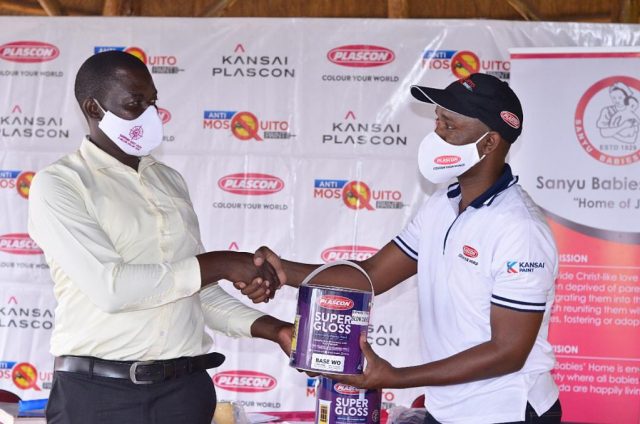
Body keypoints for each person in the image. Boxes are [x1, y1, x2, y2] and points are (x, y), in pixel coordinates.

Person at [243, 73, 562, 424]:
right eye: (437, 121)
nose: (437, 134)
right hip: (447, 408)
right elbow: (372, 275)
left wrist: (395, 377)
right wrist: (282, 271)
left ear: (488, 143)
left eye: (450, 125)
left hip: (507, 411)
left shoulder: (520, 229)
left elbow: (508, 352)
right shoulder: (442, 204)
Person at [28, 50, 290, 424]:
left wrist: (275, 330)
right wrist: (223, 263)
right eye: (134, 104)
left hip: (184, 393)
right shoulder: (61, 184)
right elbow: (112, 288)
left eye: (152, 102)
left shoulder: (169, 181)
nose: (150, 114)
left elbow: (195, 290)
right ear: (93, 108)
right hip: (98, 396)